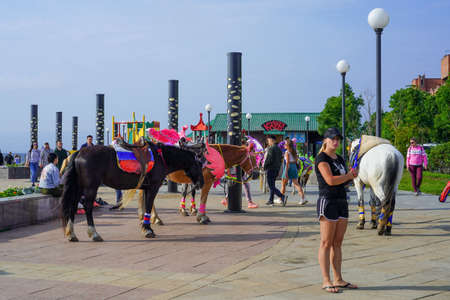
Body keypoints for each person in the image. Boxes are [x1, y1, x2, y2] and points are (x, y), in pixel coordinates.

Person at [315, 128, 358, 293]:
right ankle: (326, 280)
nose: (336, 142)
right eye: (333, 139)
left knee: (338, 242)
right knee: (326, 242)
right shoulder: (322, 158)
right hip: (328, 201)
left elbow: (342, 181)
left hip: (342, 201)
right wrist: (348, 176)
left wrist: (351, 176)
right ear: (325, 140)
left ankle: (338, 279)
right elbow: (330, 180)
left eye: (338, 139)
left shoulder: (339, 158)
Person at [280, 140, 307, 205]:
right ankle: (303, 198)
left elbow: (287, 162)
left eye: (285, 144)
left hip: (288, 167)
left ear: (287, 146)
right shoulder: (294, 152)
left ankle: (280, 199)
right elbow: (296, 160)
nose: (284, 145)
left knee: (283, 183)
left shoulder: (287, 152)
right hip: (294, 167)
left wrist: (286, 172)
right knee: (296, 184)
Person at [263, 135, 286, 206]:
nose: (268, 142)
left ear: (272, 140)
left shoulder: (271, 148)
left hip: (270, 168)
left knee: (271, 186)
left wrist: (265, 166)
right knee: (272, 184)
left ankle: (282, 196)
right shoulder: (279, 149)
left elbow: (269, 159)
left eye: (269, 140)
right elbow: (281, 160)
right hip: (276, 169)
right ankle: (271, 200)